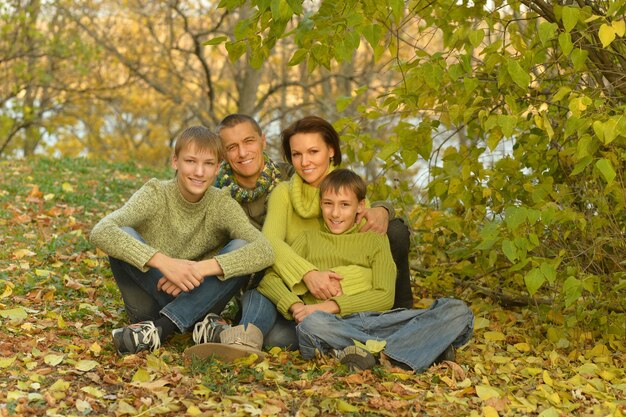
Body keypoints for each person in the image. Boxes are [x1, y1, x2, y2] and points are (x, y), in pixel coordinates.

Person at [187, 169, 473, 372]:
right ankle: (416, 349)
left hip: (374, 320)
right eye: (328, 204)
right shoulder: (310, 239)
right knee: (312, 325)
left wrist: (328, 304)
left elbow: (385, 297)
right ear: (320, 205)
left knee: (457, 310)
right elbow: (269, 280)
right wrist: (297, 304)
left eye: (345, 205)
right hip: (327, 326)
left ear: (361, 206)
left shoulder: (375, 241)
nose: (335, 213)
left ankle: (375, 353)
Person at [89, 125, 274, 355]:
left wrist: (197, 270)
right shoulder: (155, 193)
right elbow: (101, 230)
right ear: (175, 162)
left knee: (243, 247)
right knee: (122, 233)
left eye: (208, 164)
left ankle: (160, 330)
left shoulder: (222, 204)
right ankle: (198, 326)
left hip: (195, 297)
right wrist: (166, 264)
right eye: (190, 161)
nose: (199, 172)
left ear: (217, 168)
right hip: (150, 302)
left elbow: (265, 250)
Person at [214, 114, 414, 309]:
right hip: (284, 278)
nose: (305, 162)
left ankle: (402, 310)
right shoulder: (224, 193)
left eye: (313, 152)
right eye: (297, 155)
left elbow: (364, 238)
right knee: (277, 330)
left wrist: (383, 209)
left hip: (335, 281)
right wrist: (307, 275)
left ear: (331, 150)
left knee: (395, 232)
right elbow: (269, 243)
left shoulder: (321, 181)